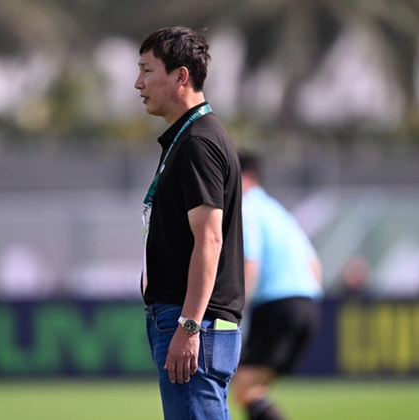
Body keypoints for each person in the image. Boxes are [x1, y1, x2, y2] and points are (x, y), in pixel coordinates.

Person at [135, 27, 244, 420]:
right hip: (191, 319)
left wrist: (189, 325)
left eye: (147, 71)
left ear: (181, 76)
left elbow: (209, 239)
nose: (138, 83)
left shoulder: (197, 142)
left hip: (194, 320)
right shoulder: (190, 137)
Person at [231, 153, 323, 420]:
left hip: (277, 306)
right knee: (254, 390)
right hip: (307, 306)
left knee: (245, 389)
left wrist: (237, 311)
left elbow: (251, 263)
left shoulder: (246, 208)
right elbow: (314, 265)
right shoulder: (279, 211)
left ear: (246, 178)